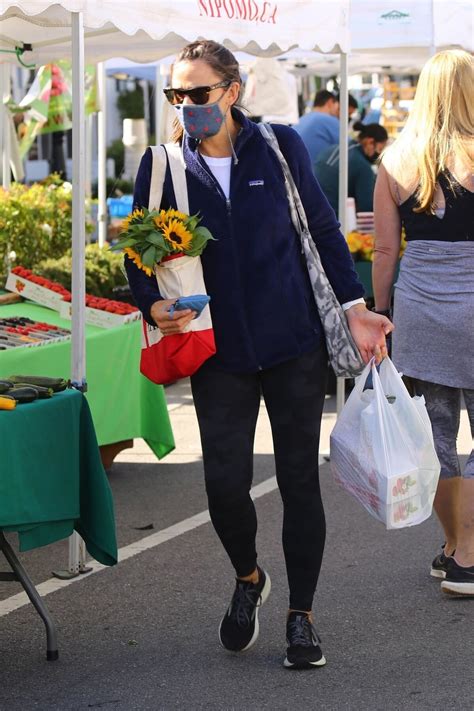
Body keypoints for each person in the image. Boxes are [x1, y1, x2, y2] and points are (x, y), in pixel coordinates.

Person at [126, 39, 393, 668]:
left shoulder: (279, 146)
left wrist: (355, 308)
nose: (186, 106)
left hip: (293, 343)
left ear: (232, 90)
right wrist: (149, 301)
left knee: (301, 480)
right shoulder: (163, 165)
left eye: (198, 94)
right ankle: (249, 578)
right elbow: (138, 251)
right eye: (176, 95)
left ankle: (301, 615)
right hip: (216, 350)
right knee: (224, 486)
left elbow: (324, 231)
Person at [372, 49, 474, 597]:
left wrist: (381, 312)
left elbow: (385, 249)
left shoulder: (395, 159)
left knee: (435, 433)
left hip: (422, 307)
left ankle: (454, 547)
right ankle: (471, 553)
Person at [313, 122, 388, 215]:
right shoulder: (363, 167)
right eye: (380, 149)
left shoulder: (333, 149)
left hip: (309, 210)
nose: (379, 155)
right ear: (370, 142)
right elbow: (367, 208)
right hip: (331, 217)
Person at [293, 89, 340, 164]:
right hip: (315, 172)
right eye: (338, 107)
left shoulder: (301, 119)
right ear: (330, 102)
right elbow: (349, 146)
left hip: (297, 171)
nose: (338, 111)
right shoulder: (328, 120)